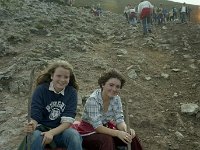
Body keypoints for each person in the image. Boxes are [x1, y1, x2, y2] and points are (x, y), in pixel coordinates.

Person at [72, 69, 143, 150]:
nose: (114, 89)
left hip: (106, 130)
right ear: (103, 84)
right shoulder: (93, 100)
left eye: (117, 86)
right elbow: (98, 127)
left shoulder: (116, 99)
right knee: (106, 139)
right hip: (88, 133)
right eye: (111, 85)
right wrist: (118, 133)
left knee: (131, 137)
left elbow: (119, 120)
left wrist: (126, 130)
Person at [19, 61, 82, 150]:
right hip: (41, 130)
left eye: (66, 77)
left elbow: (68, 121)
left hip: (60, 131)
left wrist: (51, 133)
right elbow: (36, 115)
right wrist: (31, 125)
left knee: (74, 135)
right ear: (52, 76)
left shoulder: (71, 92)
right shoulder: (41, 90)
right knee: (34, 137)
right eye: (59, 76)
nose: (62, 80)